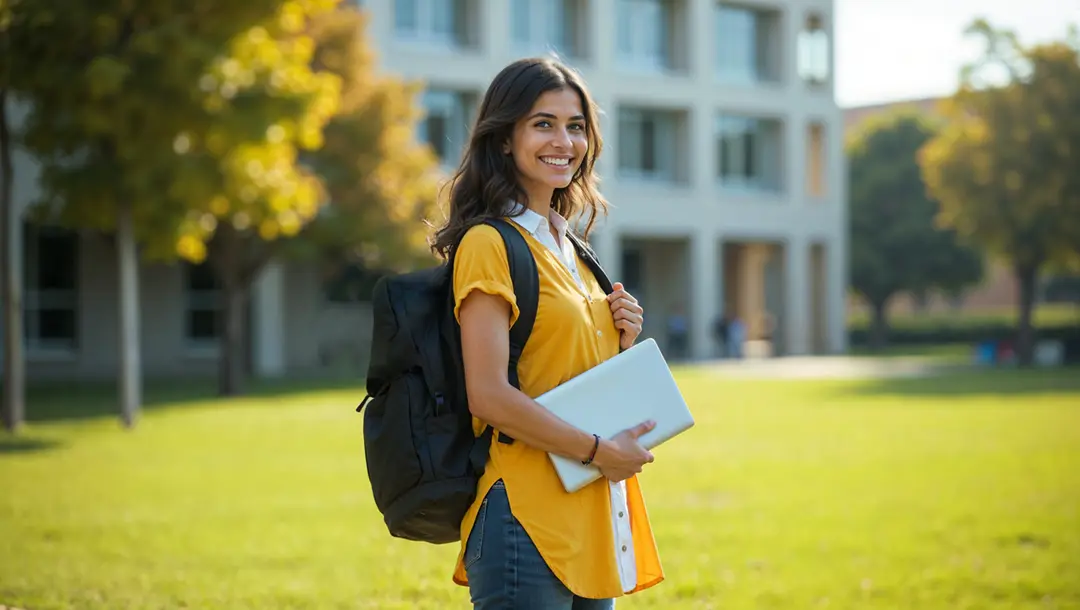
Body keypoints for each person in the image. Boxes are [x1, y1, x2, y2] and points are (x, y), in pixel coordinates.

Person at [429, 57, 665, 609]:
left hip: (590, 511)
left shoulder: (572, 248)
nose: (564, 140)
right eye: (543, 123)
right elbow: (488, 394)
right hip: (524, 516)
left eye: (576, 125)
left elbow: (553, 369)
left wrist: (619, 342)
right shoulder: (490, 243)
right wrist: (598, 450)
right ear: (505, 138)